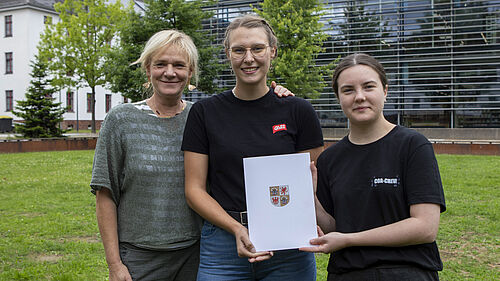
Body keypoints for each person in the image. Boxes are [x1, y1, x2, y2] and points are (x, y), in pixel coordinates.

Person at [90, 29, 294, 281]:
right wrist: (114, 263)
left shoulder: (206, 117)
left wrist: (277, 98)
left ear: (190, 73)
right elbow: (105, 194)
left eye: (179, 65)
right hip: (140, 256)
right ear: (147, 69)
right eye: (160, 64)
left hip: (196, 252)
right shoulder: (120, 120)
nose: (170, 72)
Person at [181, 15, 324, 281]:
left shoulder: (298, 111)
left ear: (272, 51)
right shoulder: (205, 113)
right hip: (223, 242)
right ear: (228, 54)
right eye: (239, 50)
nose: (249, 58)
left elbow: (315, 178)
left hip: (288, 245)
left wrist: (305, 218)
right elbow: (194, 190)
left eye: (257, 48)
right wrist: (237, 228)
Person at [300, 53, 446, 281]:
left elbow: (425, 227)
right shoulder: (330, 159)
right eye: (348, 90)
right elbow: (335, 228)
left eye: (368, 87)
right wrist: (312, 201)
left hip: (406, 272)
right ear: (338, 97)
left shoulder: (412, 146)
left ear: (385, 91)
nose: (359, 97)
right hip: (347, 274)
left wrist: (350, 240)